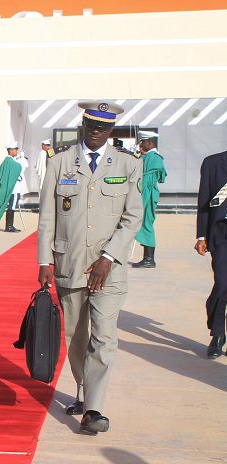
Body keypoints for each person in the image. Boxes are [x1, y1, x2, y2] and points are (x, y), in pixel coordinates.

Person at [37, 101, 143, 436]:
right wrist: (44, 260)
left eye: (103, 126)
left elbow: (133, 217)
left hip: (109, 269)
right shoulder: (59, 162)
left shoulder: (128, 164)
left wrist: (108, 257)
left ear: (111, 130)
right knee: (76, 336)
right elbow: (47, 216)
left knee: (104, 336)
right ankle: (83, 390)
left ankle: (94, 409)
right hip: (69, 263)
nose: (96, 131)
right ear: (83, 125)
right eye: (91, 124)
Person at [196, 150, 227, 359]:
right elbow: (206, 201)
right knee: (223, 283)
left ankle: (218, 332)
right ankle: (217, 334)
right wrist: (201, 235)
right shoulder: (213, 163)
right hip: (222, 232)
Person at [132, 131, 167, 268]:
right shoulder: (150, 156)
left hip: (147, 196)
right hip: (147, 194)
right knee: (145, 224)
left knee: (146, 224)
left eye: (143, 142)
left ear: (150, 142)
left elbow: (146, 183)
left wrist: (140, 202)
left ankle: (149, 259)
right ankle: (148, 258)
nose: (141, 145)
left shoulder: (154, 158)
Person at [0, 142, 23, 232]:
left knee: (10, 206)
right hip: (13, 189)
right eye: (15, 149)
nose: (16, 151)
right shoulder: (10, 161)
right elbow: (18, 168)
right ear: (10, 150)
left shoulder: (8, 161)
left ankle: (9, 225)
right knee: (12, 206)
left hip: (11, 187)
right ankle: (9, 226)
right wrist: (21, 162)